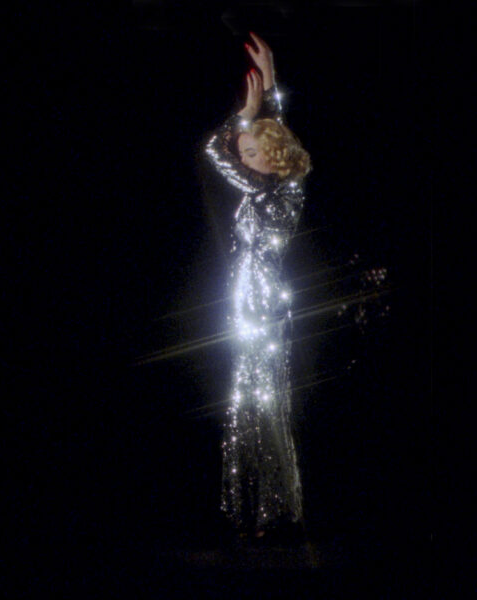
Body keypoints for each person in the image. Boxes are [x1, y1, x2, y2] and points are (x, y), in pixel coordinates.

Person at [204, 32, 312, 541]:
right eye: (243, 154)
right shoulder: (263, 186)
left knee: (266, 408)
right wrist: (265, 84)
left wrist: (250, 111)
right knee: (245, 407)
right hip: (245, 310)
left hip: (264, 309)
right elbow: (244, 143)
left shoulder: (281, 190)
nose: (243, 159)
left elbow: (217, 150)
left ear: (272, 154)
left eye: (251, 152)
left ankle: (276, 513)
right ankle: (245, 510)